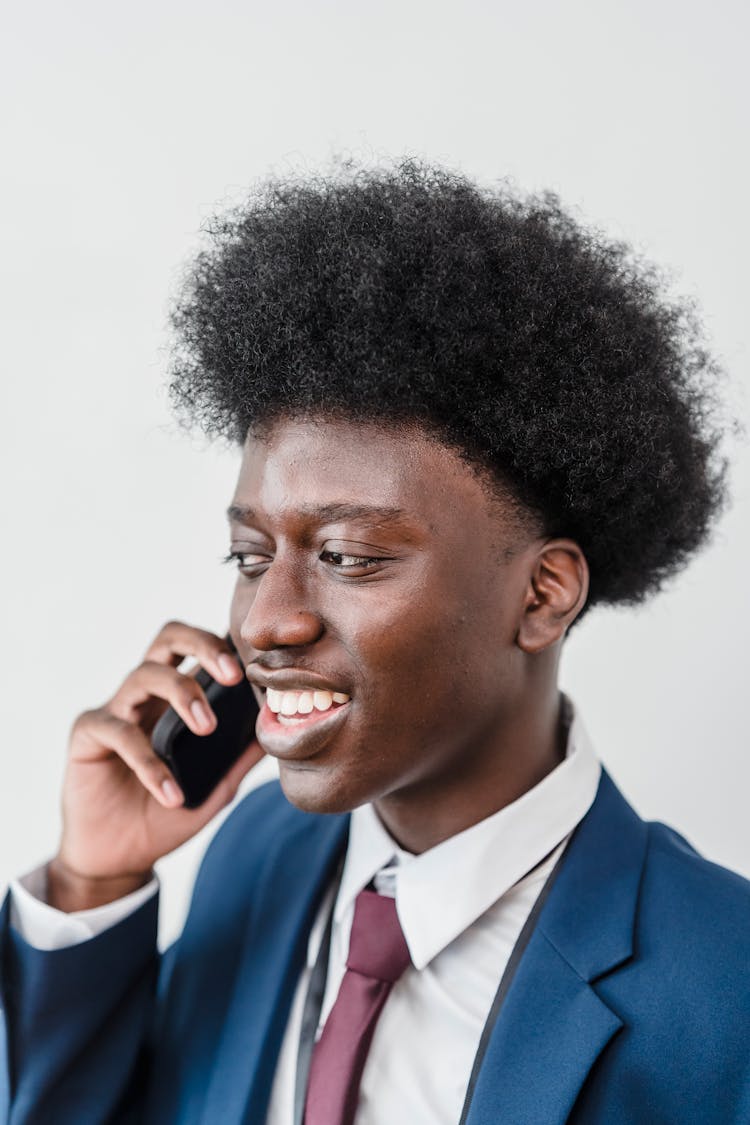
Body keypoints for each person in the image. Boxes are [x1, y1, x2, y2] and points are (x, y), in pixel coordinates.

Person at [1, 161, 748, 1125]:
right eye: (248, 551)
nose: (267, 620)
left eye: (348, 556)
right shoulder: (258, 851)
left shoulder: (722, 989)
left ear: (544, 593)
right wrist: (92, 880)